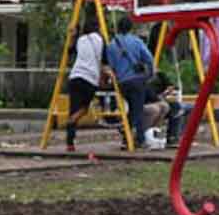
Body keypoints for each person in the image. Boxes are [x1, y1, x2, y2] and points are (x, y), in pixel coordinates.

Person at [104, 16, 157, 147]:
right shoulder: (136, 41)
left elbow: (111, 65)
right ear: (130, 28)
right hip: (136, 80)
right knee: (137, 110)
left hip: (122, 82)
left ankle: (126, 137)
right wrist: (150, 73)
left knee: (132, 109)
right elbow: (149, 58)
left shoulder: (111, 45)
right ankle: (139, 139)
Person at [66, 11, 106, 151]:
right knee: (84, 108)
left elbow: (69, 52)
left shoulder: (80, 39)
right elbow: (105, 59)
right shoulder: (100, 39)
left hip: (75, 76)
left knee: (73, 109)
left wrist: (71, 36)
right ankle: (73, 119)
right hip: (90, 78)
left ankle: (70, 143)